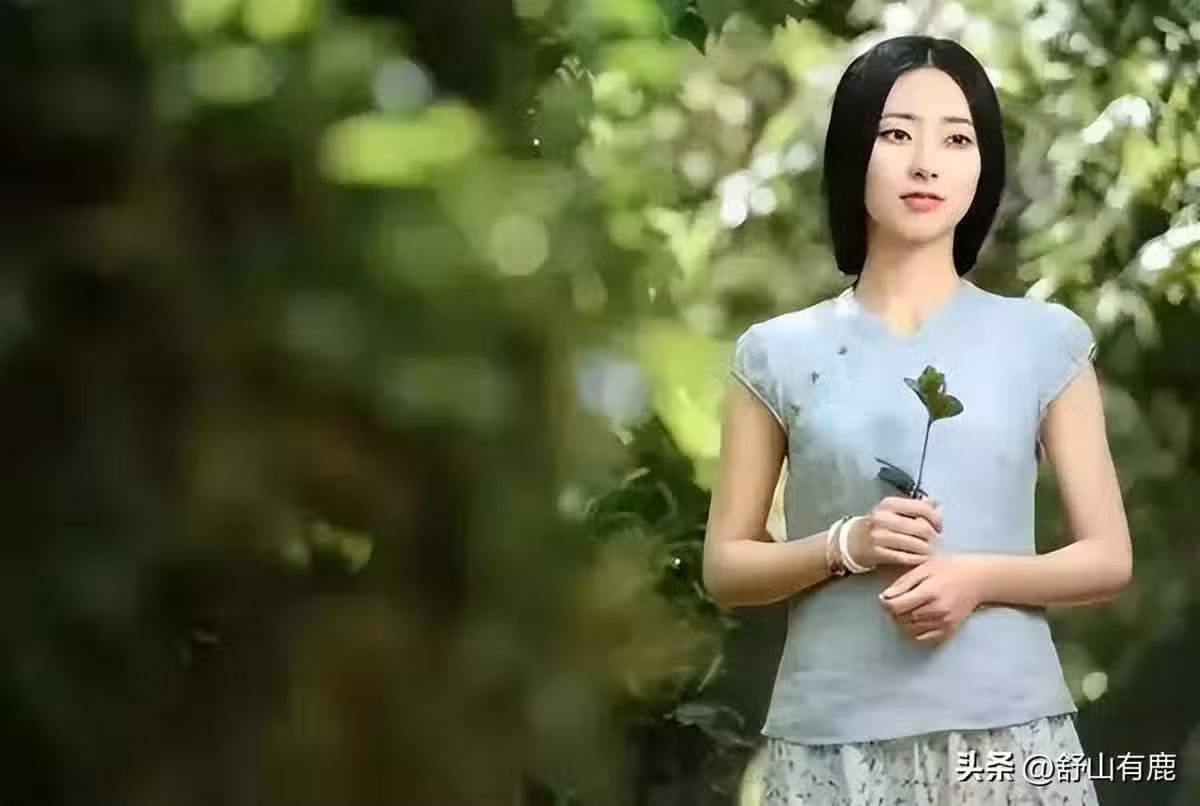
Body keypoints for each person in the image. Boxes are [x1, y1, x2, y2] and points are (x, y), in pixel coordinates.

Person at [702, 35, 1133, 805]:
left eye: (957, 139)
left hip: (1009, 738)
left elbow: (1106, 558)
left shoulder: (1045, 340)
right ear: (852, 153)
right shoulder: (776, 353)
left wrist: (977, 578)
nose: (927, 163)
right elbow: (727, 568)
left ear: (983, 165)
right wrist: (847, 545)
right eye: (897, 134)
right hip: (832, 741)